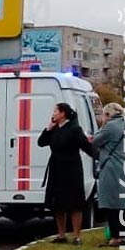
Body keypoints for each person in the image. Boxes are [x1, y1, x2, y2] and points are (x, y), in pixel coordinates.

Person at [37, 102, 95, 242]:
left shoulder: (74, 129)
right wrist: (48, 129)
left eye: (56, 111)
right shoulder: (55, 129)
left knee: (75, 204)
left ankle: (76, 236)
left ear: (63, 113)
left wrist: (100, 156)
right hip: (56, 169)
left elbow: (86, 146)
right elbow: (41, 142)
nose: (53, 114)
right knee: (58, 205)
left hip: (71, 170)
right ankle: (61, 235)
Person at [91, 103, 125, 247]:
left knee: (110, 204)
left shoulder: (110, 126)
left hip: (111, 168)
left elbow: (95, 141)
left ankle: (116, 236)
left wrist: (102, 126)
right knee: (122, 204)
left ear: (108, 115)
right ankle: (124, 234)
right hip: (124, 167)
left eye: (103, 115)